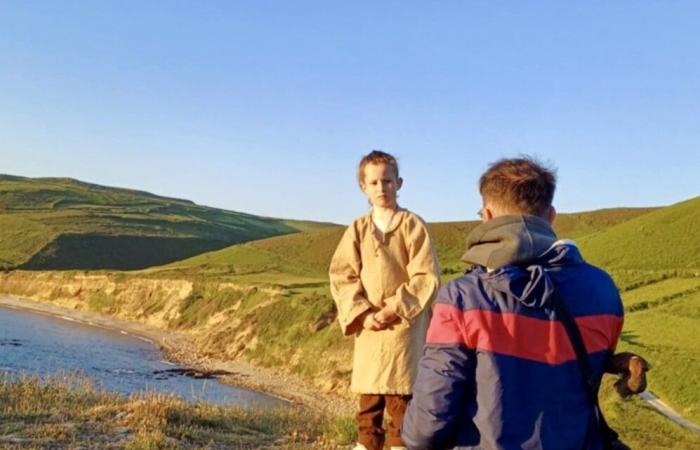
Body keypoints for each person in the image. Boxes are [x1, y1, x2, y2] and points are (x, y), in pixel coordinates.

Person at [402, 156, 627, 449]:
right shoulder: (603, 289)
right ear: (551, 217)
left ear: (487, 215)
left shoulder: (461, 298)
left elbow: (427, 423)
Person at [329, 150, 440, 450]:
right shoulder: (357, 229)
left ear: (399, 183)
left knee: (401, 396)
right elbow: (342, 275)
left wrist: (394, 309)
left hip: (403, 328)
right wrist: (363, 314)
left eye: (387, 181)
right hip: (370, 329)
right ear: (363, 187)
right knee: (369, 397)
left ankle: (400, 445)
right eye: (374, 182)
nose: (381, 188)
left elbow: (425, 276)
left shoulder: (412, 225)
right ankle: (366, 444)